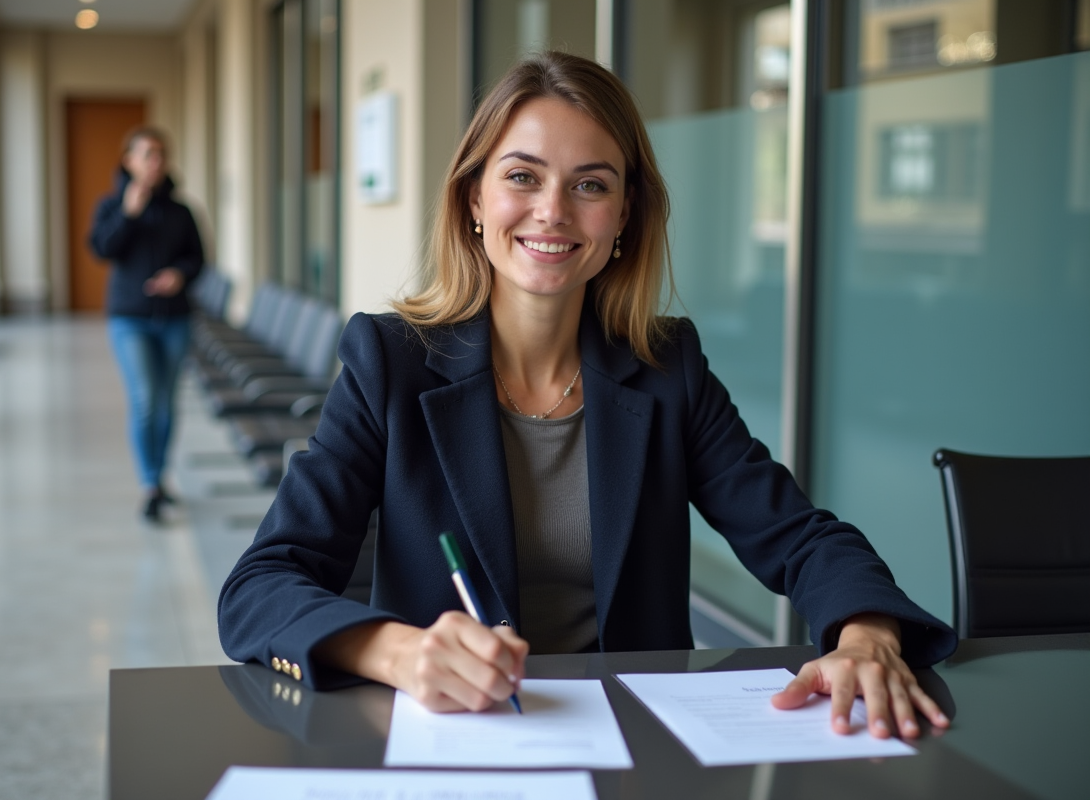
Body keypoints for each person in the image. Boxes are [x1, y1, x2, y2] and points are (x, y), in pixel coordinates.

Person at [218, 52, 956, 740]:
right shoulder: (391, 361)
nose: (553, 211)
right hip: (452, 743)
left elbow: (802, 539)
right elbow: (260, 585)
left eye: (591, 184)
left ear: (624, 216)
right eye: (522, 177)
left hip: (638, 744)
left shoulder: (666, 369)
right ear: (474, 197)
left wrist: (865, 635)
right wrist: (398, 652)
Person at [89, 126, 204, 522]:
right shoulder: (112, 206)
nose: (156, 162)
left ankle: (160, 475)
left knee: (168, 404)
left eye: (161, 154)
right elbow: (102, 249)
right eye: (148, 154)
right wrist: (128, 214)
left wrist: (179, 275)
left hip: (174, 318)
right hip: (129, 318)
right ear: (129, 160)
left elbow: (199, 259)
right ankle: (149, 484)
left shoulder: (182, 210)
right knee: (145, 401)